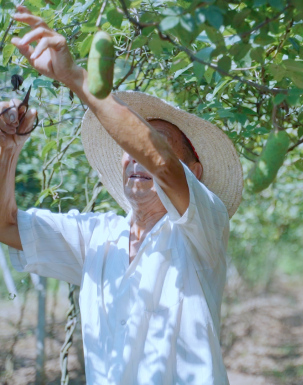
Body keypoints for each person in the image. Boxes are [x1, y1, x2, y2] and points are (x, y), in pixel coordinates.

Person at [0, 6, 242, 384]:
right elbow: (7, 225)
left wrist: (75, 78)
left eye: (154, 142)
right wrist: (8, 149)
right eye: (127, 145)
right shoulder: (96, 236)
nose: (135, 155)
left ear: (193, 173)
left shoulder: (203, 228)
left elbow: (161, 164)